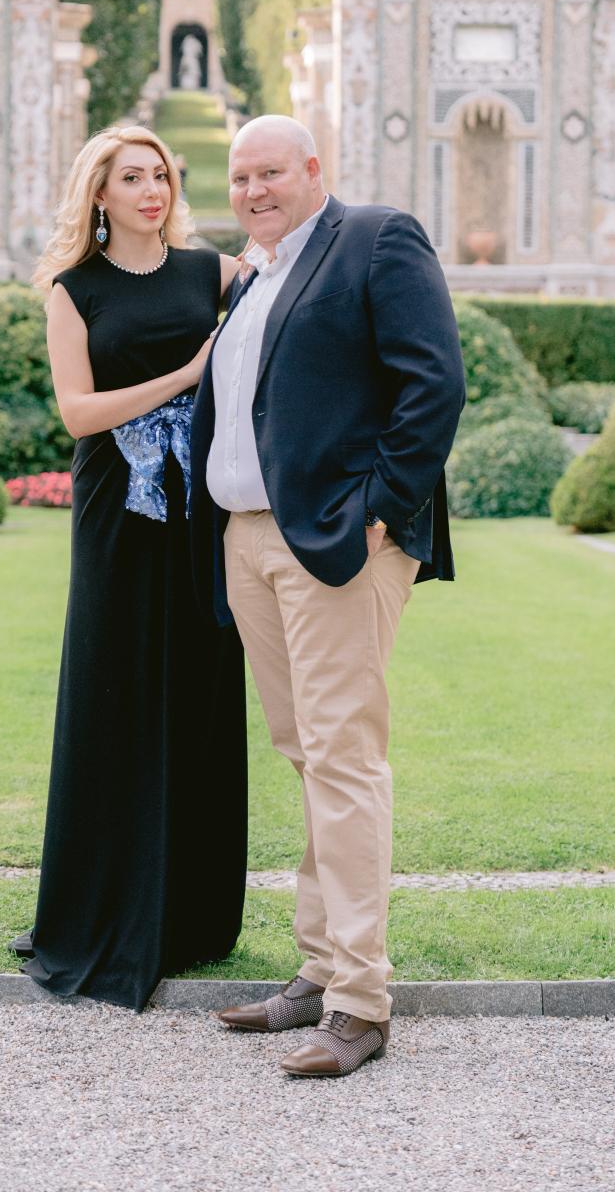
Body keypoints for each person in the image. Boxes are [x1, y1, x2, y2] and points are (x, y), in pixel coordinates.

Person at [190, 114, 466, 1076]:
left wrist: (380, 514)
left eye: (270, 172)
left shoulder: (375, 237)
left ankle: (360, 1002)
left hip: (337, 544)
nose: (254, 190)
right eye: (238, 178)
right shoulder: (255, 272)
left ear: (314, 169)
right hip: (250, 539)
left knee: (344, 757)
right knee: (306, 752)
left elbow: (433, 383)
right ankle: (317, 971)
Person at [11, 123, 247, 1010]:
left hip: (202, 514)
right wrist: (188, 374)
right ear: (99, 195)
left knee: (199, 693)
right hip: (117, 516)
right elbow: (78, 412)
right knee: (114, 696)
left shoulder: (212, 272)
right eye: (132, 177)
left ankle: (191, 916)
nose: (153, 190)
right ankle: (100, 911)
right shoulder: (74, 292)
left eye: (161, 175)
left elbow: (286, 313)